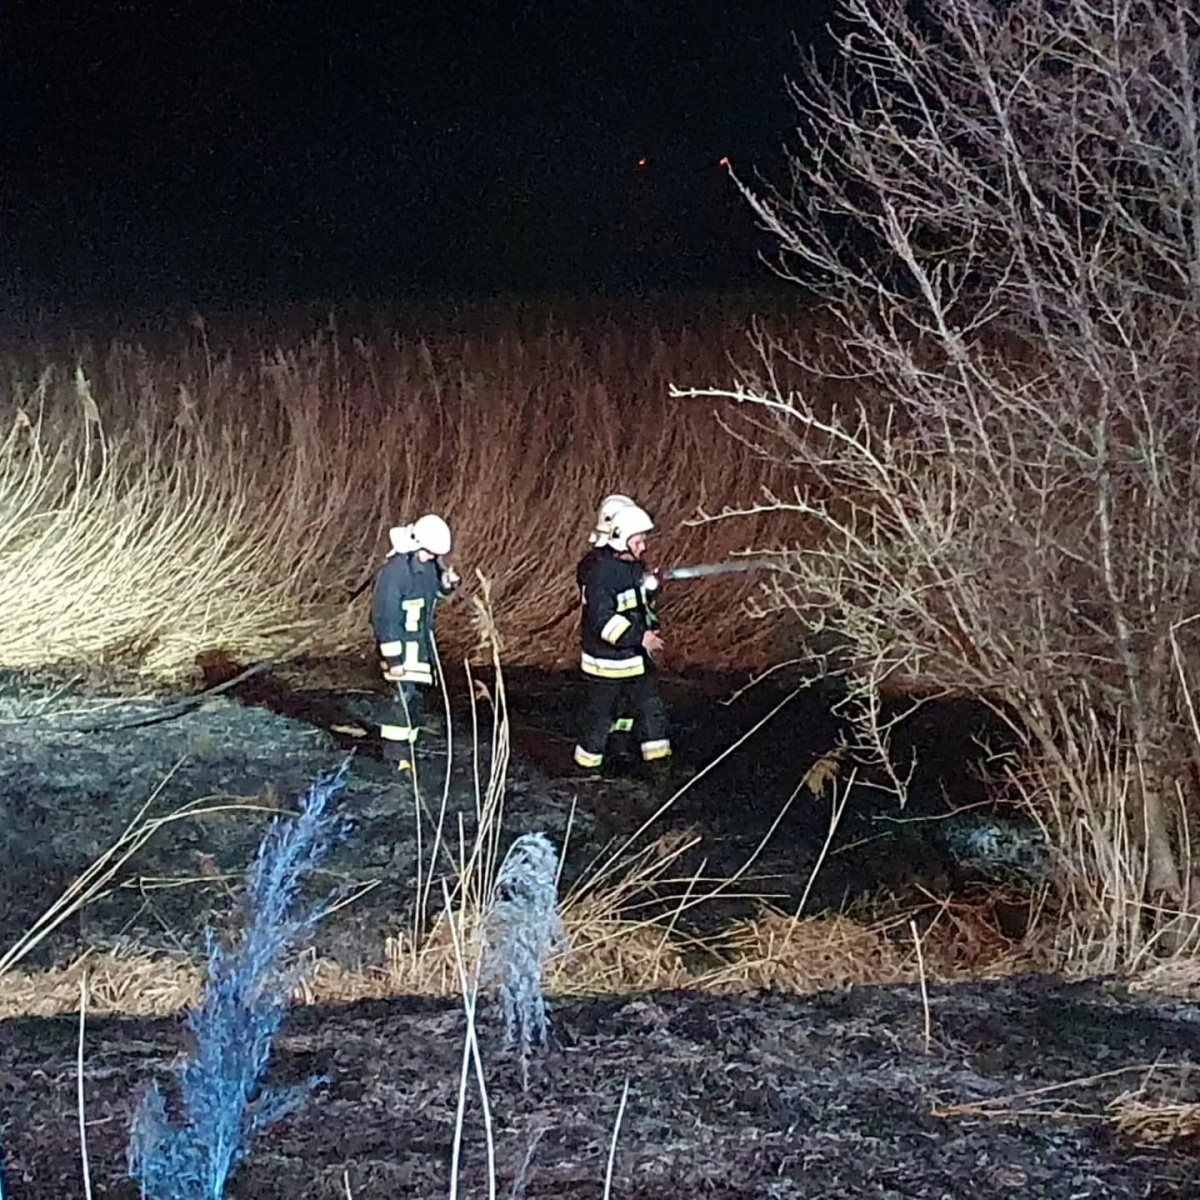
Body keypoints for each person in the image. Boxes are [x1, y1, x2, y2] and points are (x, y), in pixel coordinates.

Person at [573, 503, 672, 782]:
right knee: (600, 719)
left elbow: (639, 604)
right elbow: (603, 621)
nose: (643, 547)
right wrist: (641, 637)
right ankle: (585, 773)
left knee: (648, 710)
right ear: (621, 539)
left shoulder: (632, 567)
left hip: (634, 659)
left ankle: (659, 768)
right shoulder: (601, 573)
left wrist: (653, 585)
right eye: (638, 540)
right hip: (607, 664)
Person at [370, 513, 461, 771]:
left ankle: (407, 749)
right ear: (416, 543)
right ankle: (395, 757)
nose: (434, 559)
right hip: (402, 649)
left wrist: (447, 585)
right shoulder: (394, 574)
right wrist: (393, 659)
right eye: (430, 553)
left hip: (420, 647)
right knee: (401, 700)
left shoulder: (427, 566)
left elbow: (431, 595)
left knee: (414, 700)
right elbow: (385, 618)